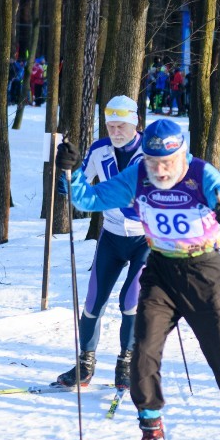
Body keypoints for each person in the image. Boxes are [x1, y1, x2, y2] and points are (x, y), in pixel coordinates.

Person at [55, 118, 220, 440]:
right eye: (153, 162)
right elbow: (90, 198)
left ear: (182, 156)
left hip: (203, 272)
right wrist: (70, 173)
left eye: (168, 163)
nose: (160, 171)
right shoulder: (138, 176)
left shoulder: (202, 176)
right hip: (160, 270)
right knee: (142, 353)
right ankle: (152, 434)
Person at [54, 95, 150, 392]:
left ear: (135, 123)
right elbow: (76, 187)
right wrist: (66, 172)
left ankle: (127, 362)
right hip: (111, 235)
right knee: (94, 300)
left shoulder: (150, 151)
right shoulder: (99, 150)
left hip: (144, 238)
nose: (116, 131)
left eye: (122, 125)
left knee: (130, 301)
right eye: (110, 126)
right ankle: (85, 363)